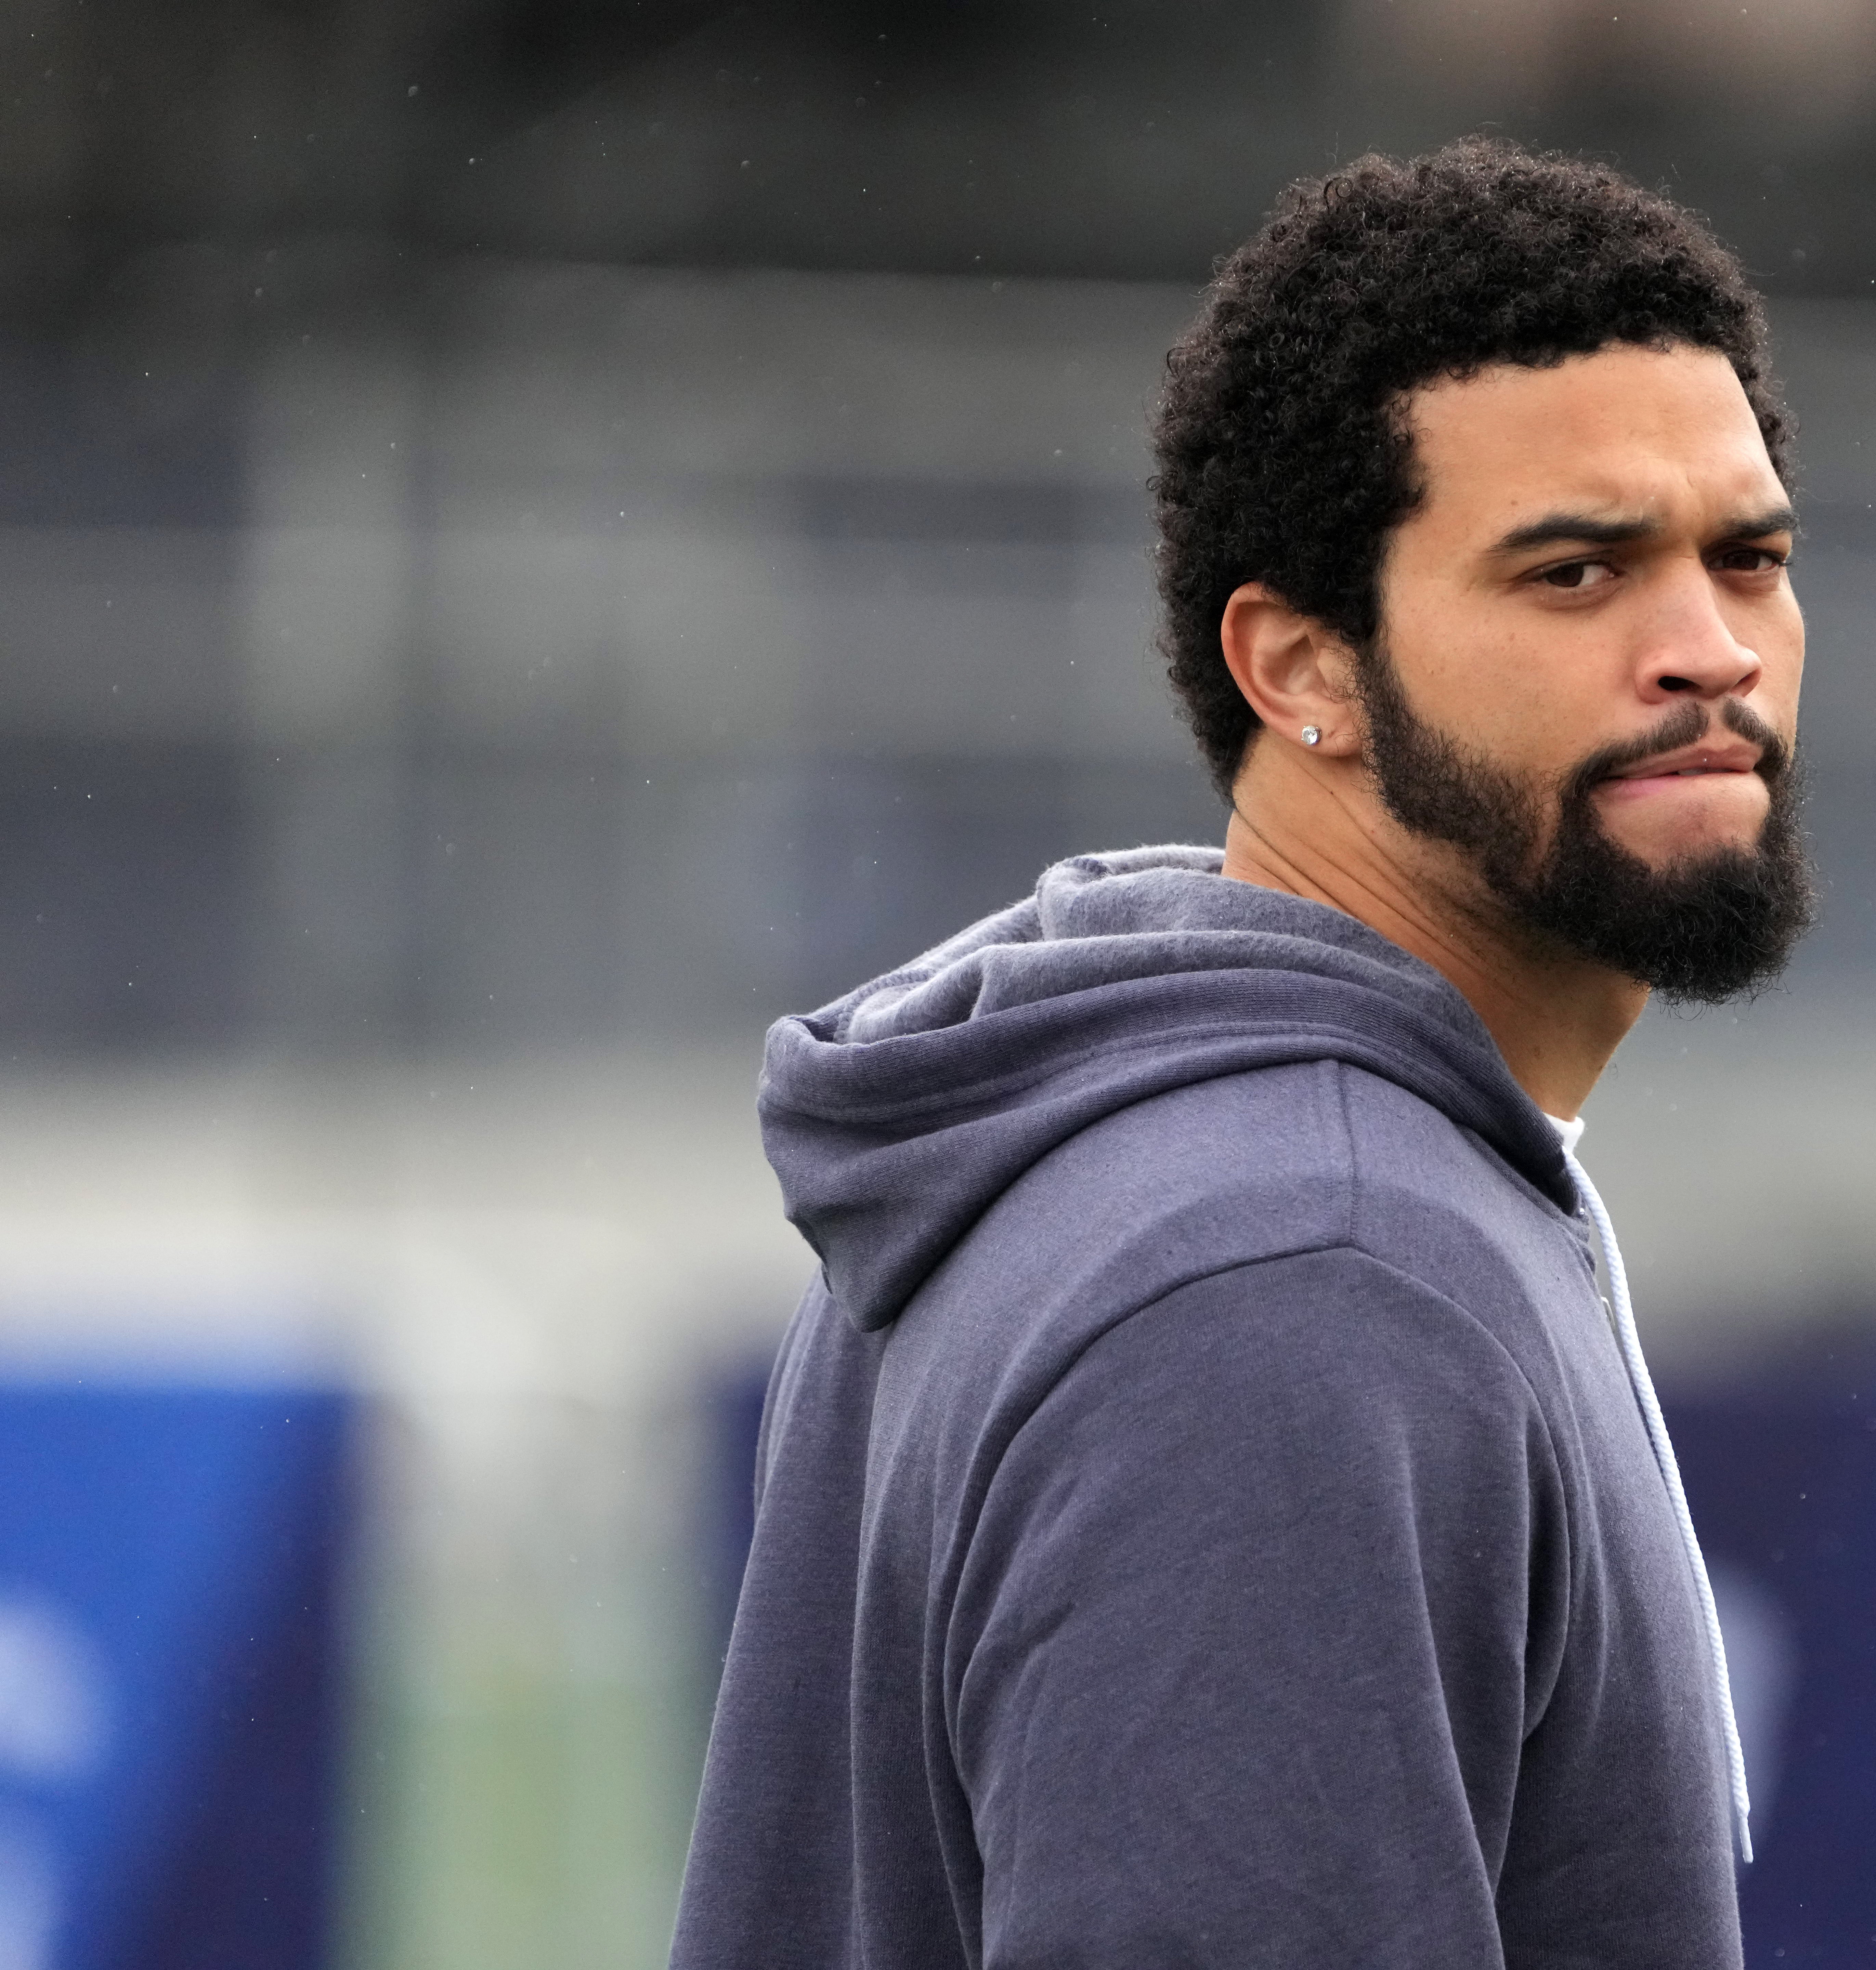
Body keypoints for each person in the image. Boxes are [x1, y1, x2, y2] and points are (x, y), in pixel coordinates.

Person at [672, 136, 1814, 1970]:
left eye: (1746, 560)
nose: (1708, 651)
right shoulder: (1302, 1280)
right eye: (1575, 574)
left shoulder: (1204, 1175)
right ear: (1304, 671)